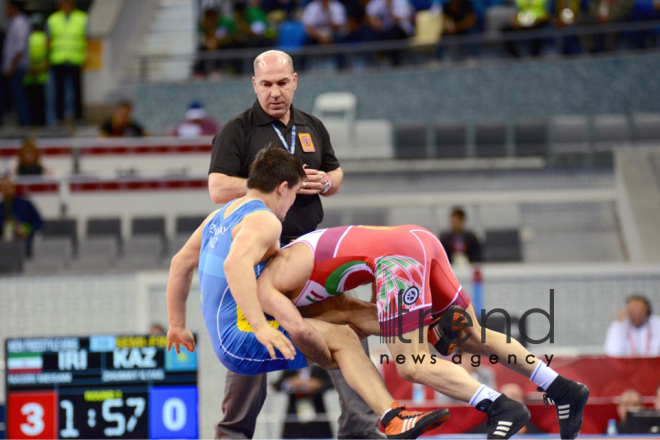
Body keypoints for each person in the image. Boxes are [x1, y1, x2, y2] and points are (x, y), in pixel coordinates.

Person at [166, 146, 451, 439]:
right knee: (344, 338)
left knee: (343, 310)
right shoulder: (264, 220)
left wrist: (177, 325)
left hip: (235, 328)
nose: (291, 206)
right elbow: (234, 265)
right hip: (241, 337)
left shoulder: (220, 215)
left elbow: (179, 264)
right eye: (295, 194)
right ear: (282, 188)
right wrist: (261, 327)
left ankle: (429, 330)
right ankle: (393, 418)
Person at [257, 224, 591, 439]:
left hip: (398, 259)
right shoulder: (299, 262)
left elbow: (305, 333)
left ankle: (500, 406)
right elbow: (353, 314)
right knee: (470, 334)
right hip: (421, 239)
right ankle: (561, 387)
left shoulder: (272, 291)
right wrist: (425, 326)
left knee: (411, 363)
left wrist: (326, 358)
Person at [207, 49, 381, 440]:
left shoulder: (312, 125)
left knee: (347, 325)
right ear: (254, 85)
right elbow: (218, 188)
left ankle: (362, 430)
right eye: (266, 84)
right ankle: (233, 434)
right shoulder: (237, 129)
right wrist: (279, 186)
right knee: (251, 344)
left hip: (311, 252)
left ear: (295, 81)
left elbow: (336, 173)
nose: (274, 92)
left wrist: (327, 181)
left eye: (282, 83)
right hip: (261, 255)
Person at [47, 0, 87, 123]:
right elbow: (48, 40)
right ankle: (58, 117)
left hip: (75, 59)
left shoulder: (82, 18)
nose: (66, 6)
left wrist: (86, 57)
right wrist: (47, 58)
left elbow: (87, 39)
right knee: (58, 91)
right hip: (58, 59)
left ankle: (78, 118)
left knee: (77, 91)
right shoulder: (53, 19)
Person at [273, 366, 334, 439]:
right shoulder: (290, 370)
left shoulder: (319, 370)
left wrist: (317, 384)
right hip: (294, 417)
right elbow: (276, 385)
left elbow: (331, 383)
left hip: (317, 416)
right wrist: (290, 383)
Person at [2, 0, 31, 126]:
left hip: (17, 67)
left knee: (19, 98)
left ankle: (24, 125)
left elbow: (20, 47)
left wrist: (11, 66)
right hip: (14, 66)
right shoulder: (14, 22)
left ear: (12, 7)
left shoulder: (19, 23)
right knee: (15, 97)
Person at [0, 177, 42, 256]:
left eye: (8, 187)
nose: (6, 190)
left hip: (25, 244)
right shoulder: (1, 208)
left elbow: (39, 223)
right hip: (5, 248)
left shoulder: (25, 205)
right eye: (3, 188)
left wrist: (26, 229)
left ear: (13, 187)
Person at [24, 13, 48, 126]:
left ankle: (31, 124)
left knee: (30, 104)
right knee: (42, 104)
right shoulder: (45, 39)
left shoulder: (27, 39)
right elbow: (49, 58)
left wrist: (31, 70)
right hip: (42, 76)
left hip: (29, 75)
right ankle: (42, 124)